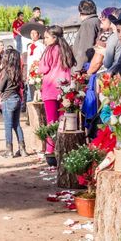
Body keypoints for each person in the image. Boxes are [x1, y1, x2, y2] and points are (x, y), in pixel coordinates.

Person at [38, 25, 76, 156]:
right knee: (63, 121)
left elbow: (42, 69)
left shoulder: (50, 50)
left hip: (50, 89)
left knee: (51, 122)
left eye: (47, 37)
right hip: (64, 90)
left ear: (54, 37)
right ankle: (63, 149)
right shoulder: (66, 50)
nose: (45, 39)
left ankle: (50, 150)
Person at [0, 48, 28, 158]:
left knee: (8, 126)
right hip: (17, 99)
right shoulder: (18, 71)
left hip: (8, 99)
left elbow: (0, 87)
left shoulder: (6, 71)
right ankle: (22, 149)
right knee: (17, 125)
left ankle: (9, 151)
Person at [20, 21, 46, 101]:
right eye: (31, 33)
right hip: (30, 73)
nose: (33, 35)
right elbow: (28, 62)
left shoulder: (42, 46)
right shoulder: (29, 46)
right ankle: (29, 112)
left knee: (38, 94)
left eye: (35, 33)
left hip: (38, 73)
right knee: (30, 94)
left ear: (38, 35)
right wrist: (27, 74)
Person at [72, 0, 100, 70]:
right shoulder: (96, 21)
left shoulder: (87, 24)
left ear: (80, 12)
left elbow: (84, 49)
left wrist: (76, 70)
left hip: (86, 66)